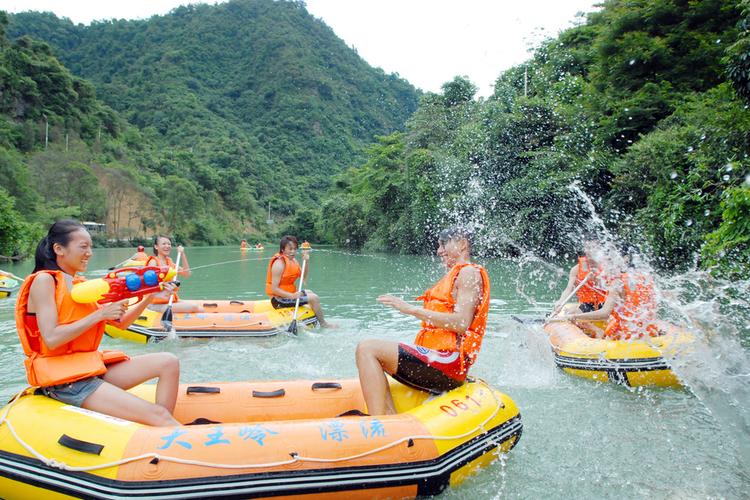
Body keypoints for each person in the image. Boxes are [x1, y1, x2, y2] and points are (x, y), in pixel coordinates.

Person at [15, 220, 180, 426]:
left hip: (88, 368)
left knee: (168, 362)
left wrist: (149, 295)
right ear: (59, 249)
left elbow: (120, 324)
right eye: (83, 247)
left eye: (90, 247)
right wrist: (98, 315)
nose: (89, 253)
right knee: (159, 416)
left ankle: (160, 432)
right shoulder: (44, 281)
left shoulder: (80, 285)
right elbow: (51, 338)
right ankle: (161, 423)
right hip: (65, 382)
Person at [355, 228, 490, 415]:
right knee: (369, 349)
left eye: (443, 244)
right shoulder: (457, 274)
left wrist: (411, 309)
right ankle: (388, 417)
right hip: (441, 358)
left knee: (367, 348)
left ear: (462, 244)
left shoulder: (468, 273)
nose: (439, 251)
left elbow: (461, 323)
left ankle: (378, 423)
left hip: (450, 362)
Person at [550, 270, 660, 341]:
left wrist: (575, 317)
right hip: (647, 331)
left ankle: (599, 334)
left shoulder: (617, 283)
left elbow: (605, 313)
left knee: (609, 330)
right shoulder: (647, 278)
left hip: (624, 333)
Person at [265, 235, 334, 328]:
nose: (293, 251)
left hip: (288, 296)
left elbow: (303, 277)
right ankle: (323, 324)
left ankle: (313, 317)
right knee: (314, 298)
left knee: (310, 292)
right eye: (290, 249)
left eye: (295, 249)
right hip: (278, 300)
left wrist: (306, 261)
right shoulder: (279, 264)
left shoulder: (293, 261)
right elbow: (274, 289)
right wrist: (292, 296)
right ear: (282, 249)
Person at [145, 235, 201, 313]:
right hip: (154, 304)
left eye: (169, 244)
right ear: (156, 246)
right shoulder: (153, 262)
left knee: (201, 309)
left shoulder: (169, 262)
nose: (167, 246)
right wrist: (165, 285)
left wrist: (182, 255)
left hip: (168, 300)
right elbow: (148, 283)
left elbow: (186, 273)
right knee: (194, 307)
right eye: (164, 244)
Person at [553, 239, 609, 315]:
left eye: (593, 248)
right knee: (569, 313)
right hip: (587, 305)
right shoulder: (576, 269)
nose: (589, 251)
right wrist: (560, 302)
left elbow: (612, 289)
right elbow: (569, 289)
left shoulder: (607, 268)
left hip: (605, 305)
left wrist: (596, 280)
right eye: (588, 248)